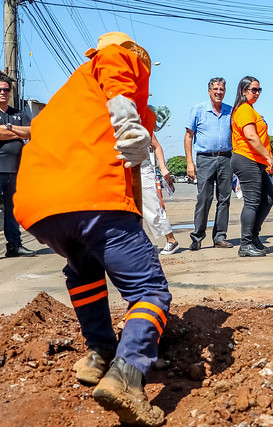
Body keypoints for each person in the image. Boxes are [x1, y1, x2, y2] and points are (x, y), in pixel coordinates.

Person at [13, 32, 169, 426]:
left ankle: (100, 353)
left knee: (82, 269)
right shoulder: (115, 61)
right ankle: (127, 374)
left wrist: (132, 217)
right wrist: (129, 118)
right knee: (149, 290)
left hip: (40, 209)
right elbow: (116, 68)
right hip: (94, 198)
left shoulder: (65, 100)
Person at [184, 77, 234, 251]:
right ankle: (197, 237)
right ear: (209, 91)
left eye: (221, 89)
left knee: (224, 199)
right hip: (205, 159)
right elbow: (189, 136)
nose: (218, 92)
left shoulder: (230, 111)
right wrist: (190, 163)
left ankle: (220, 237)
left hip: (226, 158)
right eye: (215, 89)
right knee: (204, 198)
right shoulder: (198, 110)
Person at [230, 76, 273, 257]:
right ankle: (245, 244)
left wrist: (266, 158)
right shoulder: (243, 110)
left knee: (268, 198)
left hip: (256, 160)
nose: (257, 93)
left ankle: (254, 237)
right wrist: (267, 156)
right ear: (243, 91)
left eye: (259, 90)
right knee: (252, 201)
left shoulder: (250, 109)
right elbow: (250, 136)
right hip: (246, 158)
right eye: (253, 90)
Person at [0, 74, 35, 258]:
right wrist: (18, 132)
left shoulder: (18, 114)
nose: (3, 92)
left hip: (16, 171)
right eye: (0, 89)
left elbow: (31, 131)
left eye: (6, 89)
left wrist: (10, 129)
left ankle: (14, 246)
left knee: (13, 212)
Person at [141, 133, 179, 254]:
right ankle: (139, 245)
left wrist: (163, 168)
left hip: (142, 169)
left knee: (153, 207)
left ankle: (171, 240)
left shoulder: (141, 121)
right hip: (121, 171)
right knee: (129, 211)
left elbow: (156, 145)